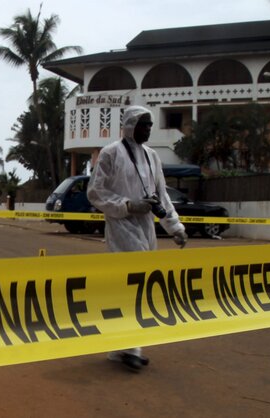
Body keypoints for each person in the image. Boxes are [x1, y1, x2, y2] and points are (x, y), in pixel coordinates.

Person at [87, 105, 188, 372]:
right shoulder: (110, 154)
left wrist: (175, 227)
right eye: (144, 125)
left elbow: (162, 196)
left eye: (150, 126)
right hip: (122, 225)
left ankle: (119, 347)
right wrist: (128, 205)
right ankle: (131, 348)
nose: (148, 130)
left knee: (131, 285)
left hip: (146, 226)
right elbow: (95, 192)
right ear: (130, 125)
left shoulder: (152, 157)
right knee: (135, 284)